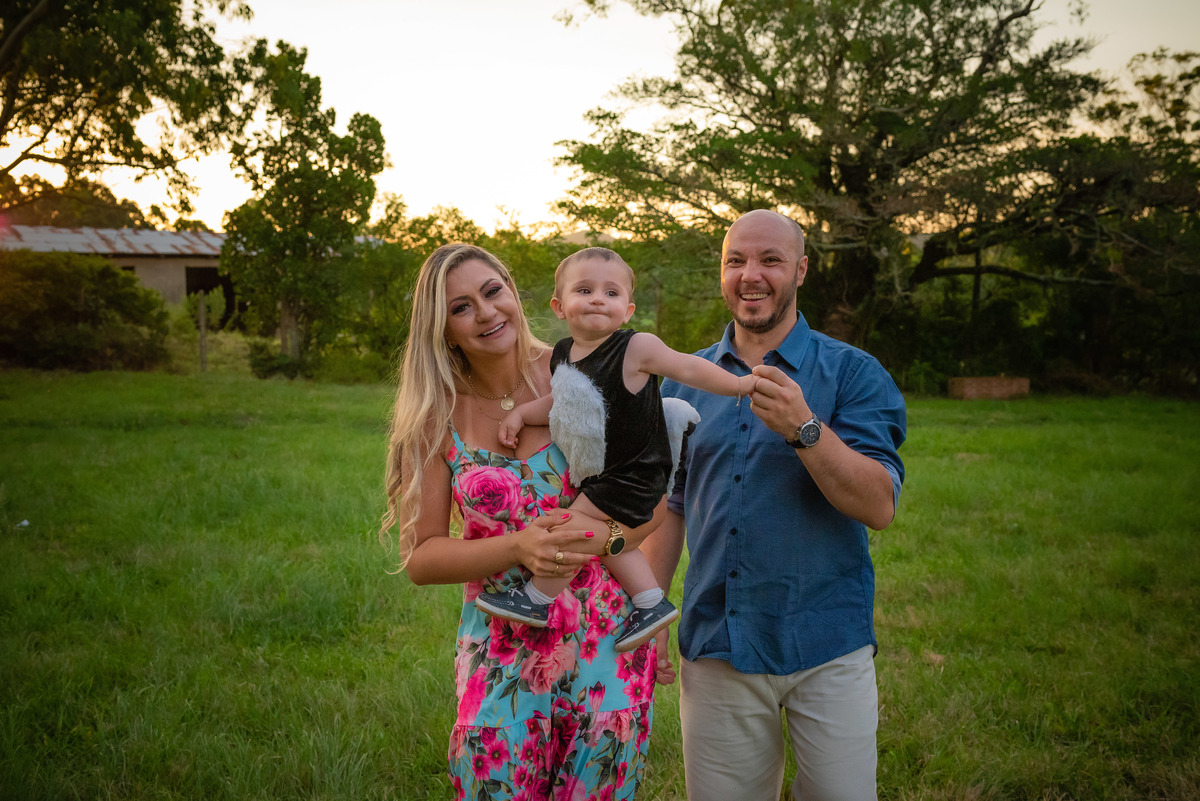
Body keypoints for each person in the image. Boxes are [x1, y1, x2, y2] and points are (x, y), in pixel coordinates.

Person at [382, 243, 671, 800]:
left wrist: (609, 565)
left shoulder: (589, 370)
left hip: (606, 647)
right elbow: (421, 558)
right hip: (501, 652)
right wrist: (519, 547)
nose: (487, 313)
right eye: (461, 307)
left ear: (514, 293)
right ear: (441, 328)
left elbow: (650, 505)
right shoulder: (435, 415)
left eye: (493, 292)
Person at [645, 210, 907, 801]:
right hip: (717, 645)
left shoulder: (853, 373)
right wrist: (653, 611)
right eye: (735, 260)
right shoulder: (683, 383)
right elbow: (671, 507)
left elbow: (878, 505)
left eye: (769, 260)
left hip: (826, 644)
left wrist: (805, 429)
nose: (750, 275)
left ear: (801, 270)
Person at [476, 247, 753, 653]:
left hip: (635, 471)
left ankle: (536, 599)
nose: (597, 299)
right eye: (584, 290)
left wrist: (741, 385)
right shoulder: (564, 355)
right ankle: (650, 602)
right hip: (607, 474)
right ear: (559, 305)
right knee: (607, 541)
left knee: (569, 530)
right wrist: (521, 414)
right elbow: (563, 402)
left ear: (627, 309)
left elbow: (688, 367)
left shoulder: (635, 347)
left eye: (611, 293)